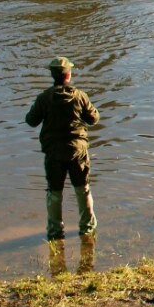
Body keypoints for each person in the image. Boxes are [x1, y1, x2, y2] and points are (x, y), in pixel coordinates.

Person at [26, 57, 99, 241]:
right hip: (77, 151)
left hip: (54, 153)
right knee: (82, 189)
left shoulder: (44, 98)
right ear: (68, 74)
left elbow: (31, 121)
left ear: (53, 75)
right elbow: (94, 119)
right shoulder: (80, 96)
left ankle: (55, 232)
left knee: (54, 192)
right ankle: (87, 229)